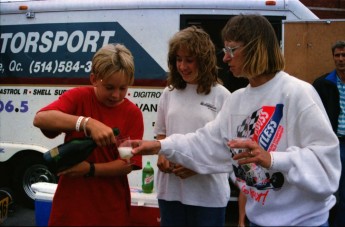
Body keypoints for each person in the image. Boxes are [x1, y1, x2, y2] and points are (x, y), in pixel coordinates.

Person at [131, 14, 341, 226]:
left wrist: (272, 159)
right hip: (257, 220)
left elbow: (326, 166)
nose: (225, 58)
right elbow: (205, 143)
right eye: (225, 50)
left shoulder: (298, 93)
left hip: (303, 222)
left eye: (232, 50)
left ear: (255, 48)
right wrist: (159, 145)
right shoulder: (237, 100)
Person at [33, 43, 144, 226]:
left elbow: (127, 164)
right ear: (94, 79)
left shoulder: (132, 114)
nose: (116, 95)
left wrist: (90, 169)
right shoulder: (79, 97)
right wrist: (86, 123)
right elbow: (40, 119)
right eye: (109, 87)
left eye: (123, 88)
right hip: (72, 204)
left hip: (110, 207)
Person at [154, 26, 231, 226]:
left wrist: (197, 166)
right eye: (178, 59)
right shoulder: (168, 93)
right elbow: (161, 134)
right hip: (170, 191)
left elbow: (229, 147)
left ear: (204, 61)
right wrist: (162, 155)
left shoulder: (221, 95)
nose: (182, 66)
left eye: (189, 60)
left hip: (208, 195)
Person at [313, 40, 345, 227]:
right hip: (333, 144)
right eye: (337, 55)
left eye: (344, 55)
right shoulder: (322, 84)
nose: (341, 59)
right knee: (331, 190)